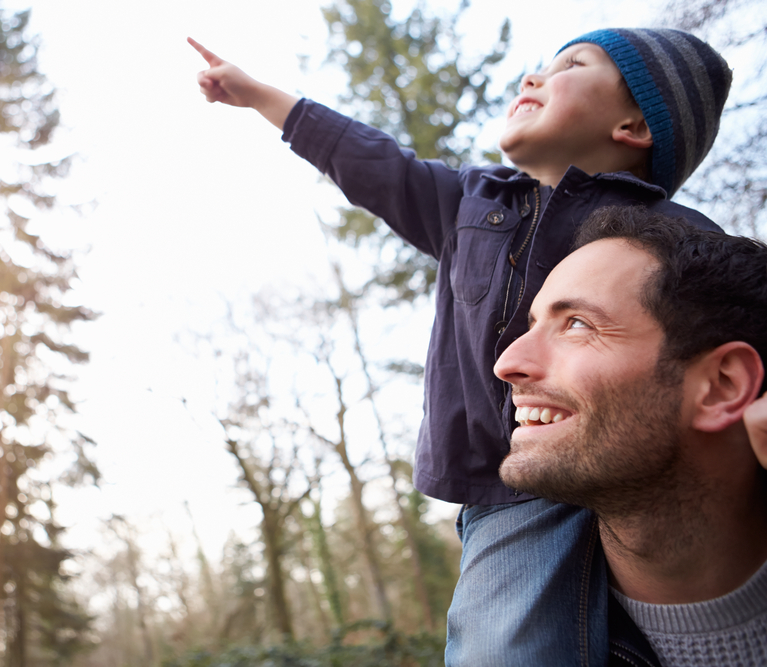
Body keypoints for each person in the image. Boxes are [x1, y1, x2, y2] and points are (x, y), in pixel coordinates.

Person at [190, 29, 731, 665]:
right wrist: (259, 96)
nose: (532, 78)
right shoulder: (469, 206)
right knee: (501, 648)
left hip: (639, 466)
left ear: (635, 123)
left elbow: (736, 329)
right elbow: (375, 165)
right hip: (516, 489)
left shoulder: (676, 234)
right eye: (537, 67)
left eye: (571, 66)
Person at [494, 205, 767, 667]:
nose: (506, 364)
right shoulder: (510, 637)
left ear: (722, 386)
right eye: (531, 325)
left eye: (577, 324)